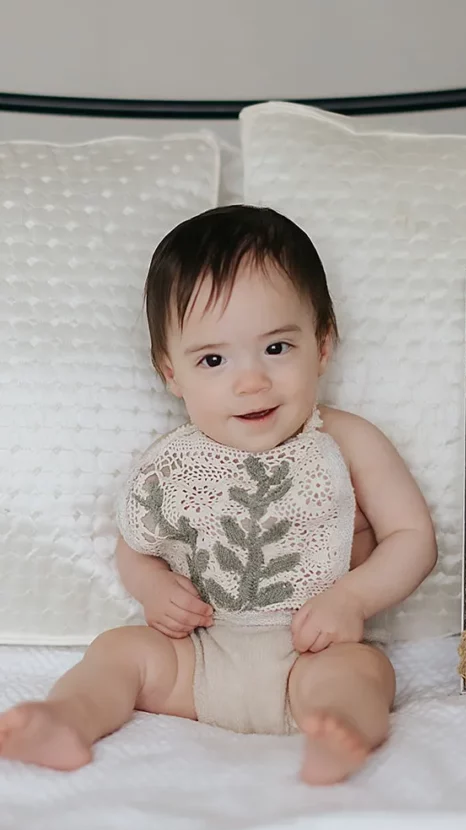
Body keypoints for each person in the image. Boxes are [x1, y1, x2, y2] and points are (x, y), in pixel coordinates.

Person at [0, 205, 437, 784]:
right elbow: (136, 545)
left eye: (277, 349)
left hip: (310, 655)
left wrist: (352, 599)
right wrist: (153, 587)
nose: (250, 380)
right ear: (171, 373)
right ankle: (68, 718)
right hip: (199, 656)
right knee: (117, 650)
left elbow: (412, 538)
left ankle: (339, 729)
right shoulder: (174, 461)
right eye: (213, 359)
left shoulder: (348, 440)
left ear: (323, 343)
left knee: (365, 672)